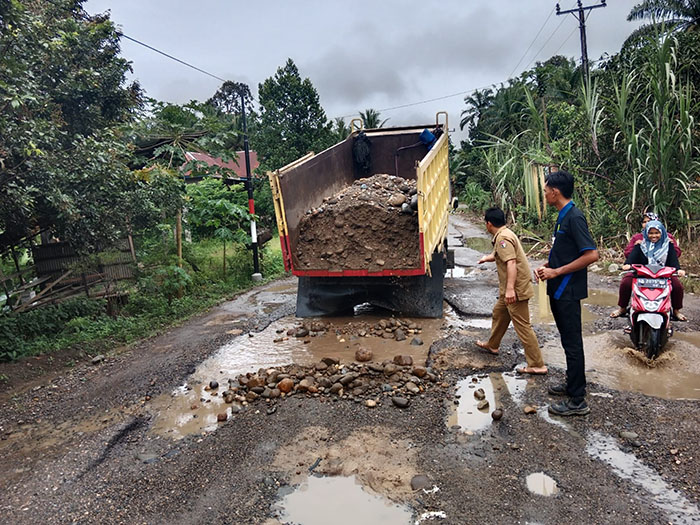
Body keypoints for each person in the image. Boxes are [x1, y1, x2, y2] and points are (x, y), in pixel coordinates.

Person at [535, 171, 599, 417]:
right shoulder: (563, 216)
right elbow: (566, 250)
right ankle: (572, 384)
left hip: (568, 290)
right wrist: (548, 265)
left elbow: (591, 255)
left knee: (572, 343)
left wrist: (557, 271)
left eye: (546, 190)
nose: (545, 194)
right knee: (567, 341)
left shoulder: (574, 217)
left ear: (556, 192)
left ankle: (578, 400)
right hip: (559, 288)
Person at [475, 207, 548, 375]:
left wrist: (509, 290)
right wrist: (487, 258)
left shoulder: (503, 239)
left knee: (523, 327)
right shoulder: (505, 233)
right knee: (499, 313)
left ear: (489, 224)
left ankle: (537, 364)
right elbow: (500, 254)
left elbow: (511, 262)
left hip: (516, 290)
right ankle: (493, 345)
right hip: (510, 289)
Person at [610, 220, 686, 321]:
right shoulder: (640, 245)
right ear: (646, 233)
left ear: (662, 233)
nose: (653, 236)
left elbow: (673, 261)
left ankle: (676, 311)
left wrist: (679, 270)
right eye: (650, 233)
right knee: (626, 283)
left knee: (677, 286)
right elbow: (631, 258)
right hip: (642, 274)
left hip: (663, 274)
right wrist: (627, 265)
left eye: (657, 233)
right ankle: (622, 308)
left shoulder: (668, 245)